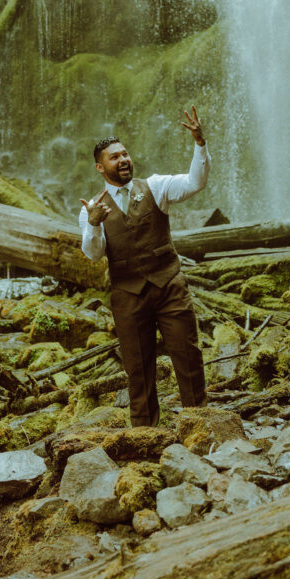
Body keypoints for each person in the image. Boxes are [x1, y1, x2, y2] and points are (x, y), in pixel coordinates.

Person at [79, 106, 209, 427]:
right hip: (128, 296)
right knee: (137, 369)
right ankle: (145, 433)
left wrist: (199, 143)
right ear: (100, 167)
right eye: (114, 157)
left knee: (188, 356)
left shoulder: (156, 186)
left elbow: (195, 182)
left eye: (125, 154)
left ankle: (200, 422)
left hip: (170, 288)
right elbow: (94, 255)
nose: (123, 160)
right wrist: (94, 225)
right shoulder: (92, 209)